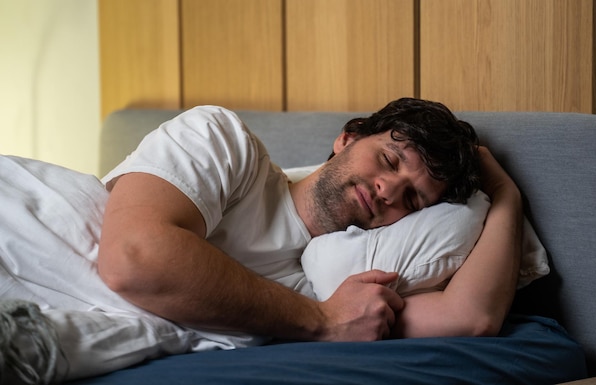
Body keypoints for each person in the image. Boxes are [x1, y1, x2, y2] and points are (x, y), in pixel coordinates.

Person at [97, 97, 521, 342]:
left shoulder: (333, 284)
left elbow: (473, 318)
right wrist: (321, 321)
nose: (389, 191)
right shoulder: (223, 142)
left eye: (411, 199)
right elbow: (133, 257)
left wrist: (506, 195)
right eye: (389, 160)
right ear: (348, 138)